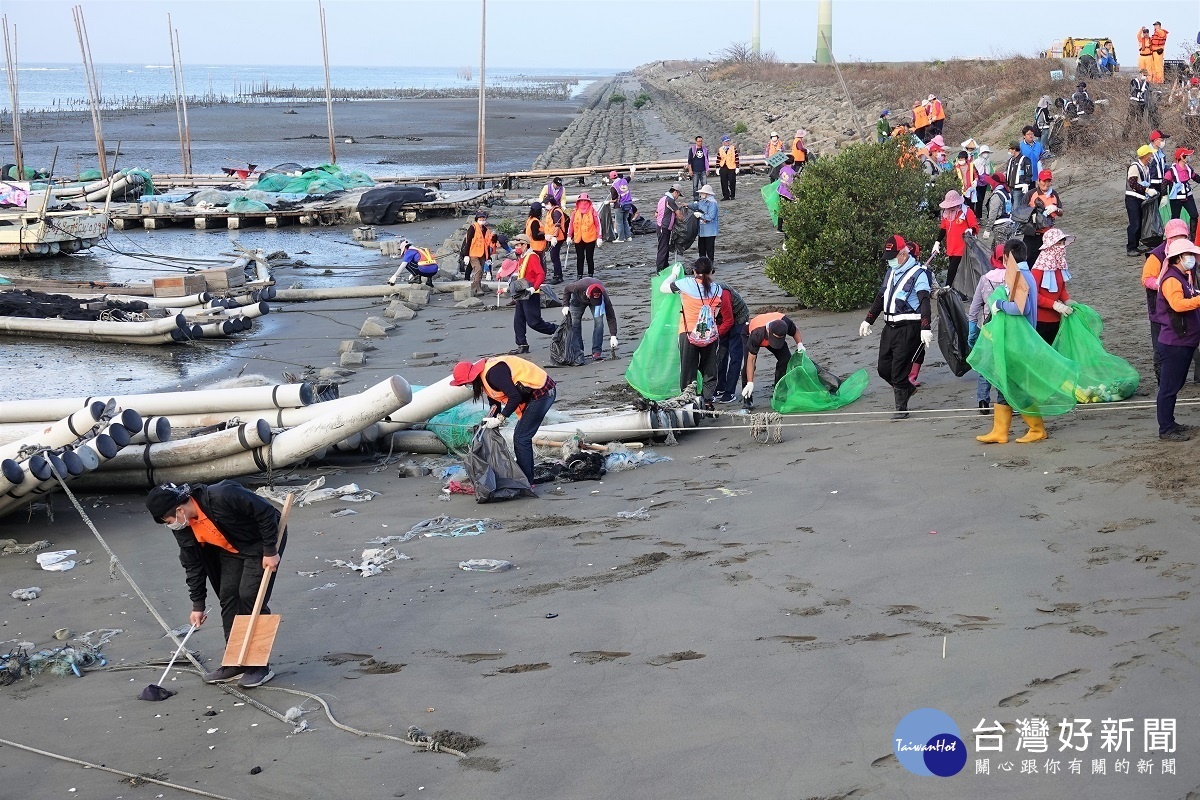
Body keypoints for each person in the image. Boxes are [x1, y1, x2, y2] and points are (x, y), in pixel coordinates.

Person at [146, 481, 286, 688]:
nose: (171, 525)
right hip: (231, 549)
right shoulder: (183, 527)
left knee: (250, 596)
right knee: (228, 596)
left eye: (168, 521)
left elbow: (265, 512)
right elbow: (192, 564)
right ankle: (235, 662)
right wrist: (198, 605)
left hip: (261, 540)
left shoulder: (223, 495)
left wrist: (270, 551)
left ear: (179, 510)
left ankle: (258, 665)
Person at [975, 238, 1047, 444]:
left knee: (1016, 385)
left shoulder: (1021, 276)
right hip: (1019, 340)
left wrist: (999, 305)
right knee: (1004, 384)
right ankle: (1000, 430)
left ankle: (1036, 429)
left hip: (1019, 342)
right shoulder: (1025, 274)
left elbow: (1021, 308)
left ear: (1007, 257)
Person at [859, 235, 933, 419]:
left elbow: (924, 301)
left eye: (893, 256)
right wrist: (868, 319)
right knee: (883, 368)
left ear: (903, 254)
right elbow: (880, 297)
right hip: (889, 327)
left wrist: (925, 327)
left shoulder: (919, 273)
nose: (890, 260)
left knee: (899, 368)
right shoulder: (891, 271)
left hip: (909, 327)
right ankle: (907, 389)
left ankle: (901, 408)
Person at [450, 356, 556, 484]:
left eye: (467, 384)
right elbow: (495, 404)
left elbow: (515, 397)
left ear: (472, 378)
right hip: (530, 395)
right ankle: (525, 475)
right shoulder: (484, 380)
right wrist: (489, 420)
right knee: (520, 436)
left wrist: (501, 418)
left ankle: (527, 481)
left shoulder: (493, 374)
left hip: (542, 392)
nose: (468, 387)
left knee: (521, 438)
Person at [661, 257, 733, 411]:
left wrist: (674, 274)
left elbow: (663, 288)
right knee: (709, 370)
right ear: (711, 272)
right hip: (710, 335)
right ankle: (707, 400)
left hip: (688, 333)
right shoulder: (717, 290)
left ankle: (689, 401)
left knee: (688, 369)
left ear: (694, 271)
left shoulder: (685, 284)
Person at [1154, 237, 1200, 440]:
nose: (1193, 258)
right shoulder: (1172, 279)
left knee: (1174, 385)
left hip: (1182, 340)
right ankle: (1165, 429)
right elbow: (1178, 305)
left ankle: (1169, 423)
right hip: (1175, 342)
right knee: (1169, 388)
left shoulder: (1181, 276)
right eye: (1189, 255)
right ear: (1179, 258)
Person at [1142, 219, 1192, 383]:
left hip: (1186, 305)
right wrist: (1161, 284)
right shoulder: (1157, 256)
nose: (1178, 240)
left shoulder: (1189, 253)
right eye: (1175, 236)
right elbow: (1146, 279)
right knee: (1160, 345)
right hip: (1160, 309)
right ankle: (1162, 378)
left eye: (1182, 236)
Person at [968, 242, 1007, 413]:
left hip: (988, 328)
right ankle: (1003, 400)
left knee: (986, 365)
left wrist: (972, 329)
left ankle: (983, 401)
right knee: (1004, 365)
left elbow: (975, 306)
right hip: (1007, 329)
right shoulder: (1013, 277)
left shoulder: (985, 279)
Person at [507, 234, 556, 354]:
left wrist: (534, 288)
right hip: (522, 293)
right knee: (518, 320)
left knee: (534, 322)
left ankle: (558, 329)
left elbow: (541, 274)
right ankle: (522, 344)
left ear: (525, 245)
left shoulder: (532, 257)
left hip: (531, 294)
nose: (516, 248)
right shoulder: (523, 257)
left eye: (518, 245)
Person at [740, 312, 804, 405]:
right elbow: (751, 360)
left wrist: (799, 344)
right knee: (747, 366)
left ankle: (778, 390)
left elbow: (795, 331)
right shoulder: (757, 334)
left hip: (770, 333)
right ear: (769, 330)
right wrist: (750, 382)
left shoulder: (785, 323)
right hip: (749, 335)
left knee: (786, 359)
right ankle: (747, 398)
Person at [1030, 227, 1075, 345]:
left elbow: (1061, 288)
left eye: (1063, 243)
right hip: (1040, 321)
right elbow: (1033, 295)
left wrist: (1068, 301)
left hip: (1057, 319)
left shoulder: (1059, 265)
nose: (1062, 247)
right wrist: (1054, 305)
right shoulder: (1038, 269)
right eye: (1058, 244)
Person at [560, 277, 619, 362]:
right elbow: (566, 289)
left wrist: (613, 335)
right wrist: (565, 305)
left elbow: (611, 315)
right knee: (575, 323)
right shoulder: (577, 287)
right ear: (588, 294)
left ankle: (596, 352)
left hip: (596, 299)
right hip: (578, 298)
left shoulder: (603, 294)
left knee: (599, 322)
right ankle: (579, 352)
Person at [713, 274, 750, 404]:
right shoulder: (703, 295)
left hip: (739, 318)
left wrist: (715, 334)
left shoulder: (723, 294)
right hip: (722, 319)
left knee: (735, 355)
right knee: (721, 354)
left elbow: (729, 321)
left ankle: (729, 392)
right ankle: (720, 387)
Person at [933, 189, 979, 291]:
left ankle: (948, 286)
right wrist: (937, 242)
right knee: (955, 269)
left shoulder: (967, 211)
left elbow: (975, 226)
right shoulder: (946, 214)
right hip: (951, 246)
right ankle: (956, 289)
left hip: (963, 246)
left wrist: (970, 230)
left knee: (954, 268)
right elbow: (943, 229)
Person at [1127, 144, 1158, 258]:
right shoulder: (1134, 167)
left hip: (1141, 198)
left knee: (1141, 222)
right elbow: (1133, 183)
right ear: (1145, 156)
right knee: (1134, 223)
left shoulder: (1146, 167)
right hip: (1132, 199)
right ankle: (1131, 247)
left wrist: (1151, 190)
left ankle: (1137, 245)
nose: (1151, 156)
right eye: (1150, 154)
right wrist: (1146, 190)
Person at [1026, 169, 1063, 264]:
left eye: (1049, 181)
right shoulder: (1030, 194)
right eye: (1044, 181)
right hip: (1033, 234)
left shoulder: (1054, 194)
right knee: (1029, 259)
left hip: (1049, 235)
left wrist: (1056, 209)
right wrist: (1032, 215)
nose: (1046, 183)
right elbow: (1020, 212)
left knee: (1049, 261)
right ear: (1038, 181)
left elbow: (1061, 212)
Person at [460, 209, 495, 297]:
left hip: (483, 254)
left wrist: (489, 259)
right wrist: (466, 255)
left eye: (484, 219)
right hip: (473, 253)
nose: (482, 220)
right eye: (480, 218)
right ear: (477, 219)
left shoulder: (486, 230)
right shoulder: (473, 227)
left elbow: (488, 244)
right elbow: (468, 242)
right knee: (478, 269)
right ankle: (478, 288)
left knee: (481, 271)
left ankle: (474, 286)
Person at [567, 192, 601, 278]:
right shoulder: (575, 212)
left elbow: (598, 224)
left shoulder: (592, 211)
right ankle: (579, 275)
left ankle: (590, 274)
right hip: (578, 238)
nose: (583, 202)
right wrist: (569, 236)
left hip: (590, 238)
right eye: (581, 200)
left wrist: (599, 237)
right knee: (580, 258)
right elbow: (571, 225)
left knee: (589, 257)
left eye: (585, 200)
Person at [1166, 148, 1199, 239]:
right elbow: (1165, 182)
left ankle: (1194, 237)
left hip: (1188, 196)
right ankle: (1174, 236)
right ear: (1182, 157)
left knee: (1194, 215)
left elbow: (1196, 177)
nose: (1188, 158)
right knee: (1175, 218)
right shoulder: (1172, 171)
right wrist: (1164, 195)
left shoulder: (1188, 168)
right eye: (1186, 156)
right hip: (1176, 198)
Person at [654, 184, 684, 272]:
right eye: (678, 195)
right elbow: (679, 214)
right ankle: (660, 269)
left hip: (660, 226)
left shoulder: (662, 199)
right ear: (675, 192)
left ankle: (664, 266)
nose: (677, 197)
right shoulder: (670, 200)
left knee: (664, 247)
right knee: (663, 248)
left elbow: (656, 214)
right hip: (664, 227)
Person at [542, 196, 568, 283]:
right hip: (553, 238)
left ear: (550, 203)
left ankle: (558, 276)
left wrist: (554, 237)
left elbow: (557, 225)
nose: (545, 206)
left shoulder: (556, 212)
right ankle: (557, 275)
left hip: (557, 238)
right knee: (554, 257)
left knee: (554, 257)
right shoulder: (551, 211)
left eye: (546, 204)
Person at [692, 184, 719, 264]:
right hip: (702, 230)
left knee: (709, 249)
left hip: (710, 231)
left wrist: (701, 215)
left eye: (703, 193)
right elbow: (696, 206)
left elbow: (711, 217)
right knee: (701, 249)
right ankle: (702, 265)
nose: (701, 194)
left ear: (707, 194)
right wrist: (687, 205)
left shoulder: (712, 203)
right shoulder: (702, 202)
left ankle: (710, 264)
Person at [982, 172, 1013, 240]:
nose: (989, 184)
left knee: (1000, 249)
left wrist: (988, 229)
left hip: (1000, 227)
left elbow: (993, 213)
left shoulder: (996, 195)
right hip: (1009, 224)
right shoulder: (1007, 193)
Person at [952, 150, 980, 221]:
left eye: (962, 159)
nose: (960, 161)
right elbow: (952, 177)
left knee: (970, 206)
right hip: (960, 189)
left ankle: (971, 219)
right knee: (960, 206)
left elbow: (976, 174)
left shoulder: (971, 166)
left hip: (970, 189)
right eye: (959, 159)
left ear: (966, 159)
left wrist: (976, 180)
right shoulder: (956, 167)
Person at [1004, 141, 1033, 209]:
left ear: (1014, 149)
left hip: (1019, 189)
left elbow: (1029, 173)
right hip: (1010, 188)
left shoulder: (1025, 160)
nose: (1009, 151)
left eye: (1010, 149)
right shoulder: (1010, 160)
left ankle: (1017, 219)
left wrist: (1026, 183)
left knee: (1016, 208)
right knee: (1010, 207)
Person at [776, 156, 796, 232]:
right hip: (788, 193)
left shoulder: (782, 169)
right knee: (789, 210)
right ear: (793, 162)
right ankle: (789, 227)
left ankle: (779, 228)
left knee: (781, 210)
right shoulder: (792, 172)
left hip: (781, 191)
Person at [686, 135, 710, 201]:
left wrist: (707, 169)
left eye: (701, 141)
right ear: (696, 142)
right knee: (695, 186)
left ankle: (705, 197)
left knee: (704, 185)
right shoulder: (692, 150)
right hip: (695, 171)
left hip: (703, 170)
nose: (700, 142)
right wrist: (690, 170)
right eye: (698, 141)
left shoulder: (705, 149)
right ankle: (695, 198)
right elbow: (689, 161)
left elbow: (707, 160)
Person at [716, 135, 740, 200]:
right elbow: (718, 159)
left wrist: (737, 167)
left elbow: (737, 158)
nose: (728, 142)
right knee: (723, 182)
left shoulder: (733, 148)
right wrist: (717, 168)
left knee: (732, 182)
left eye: (728, 141)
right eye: (726, 141)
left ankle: (732, 195)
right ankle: (726, 196)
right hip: (723, 167)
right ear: (723, 142)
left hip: (731, 167)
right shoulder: (720, 149)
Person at [1148, 129, 1171, 194]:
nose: (1164, 142)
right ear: (1155, 140)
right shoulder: (1148, 153)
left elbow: (1163, 167)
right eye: (1162, 140)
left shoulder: (1161, 152)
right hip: (1152, 185)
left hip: (1162, 184)